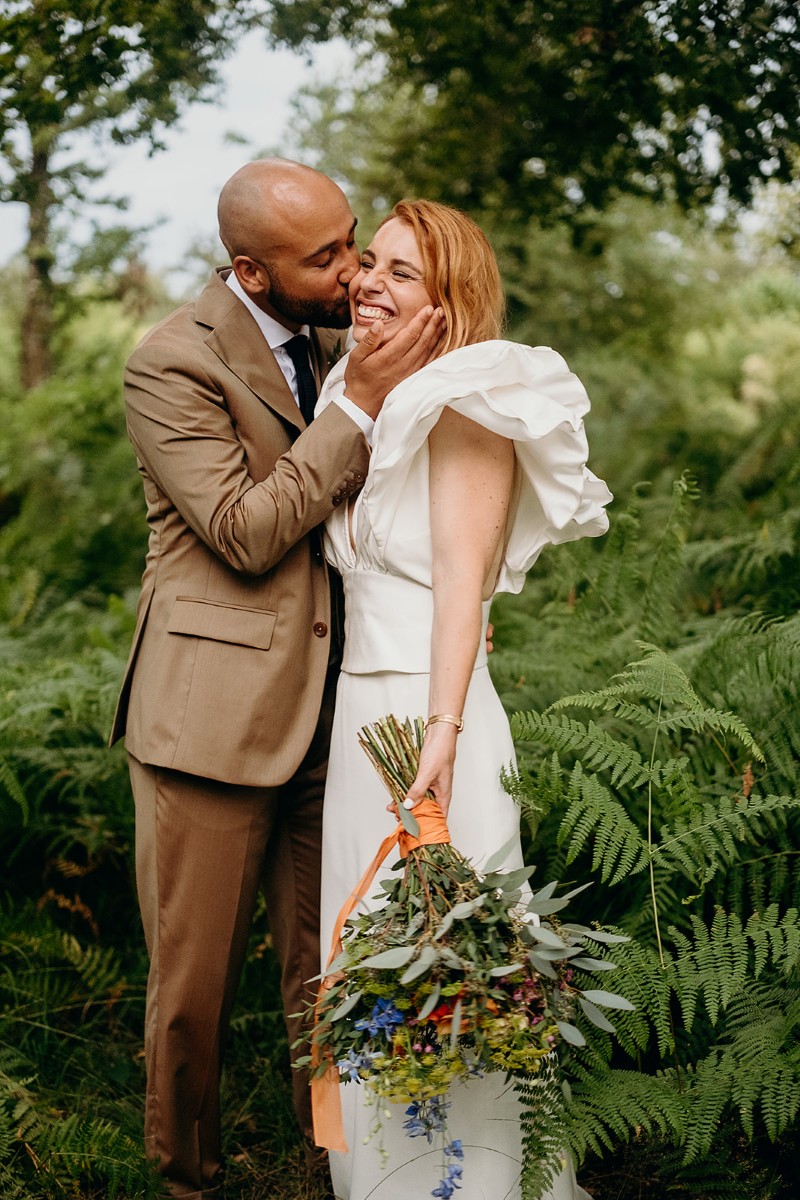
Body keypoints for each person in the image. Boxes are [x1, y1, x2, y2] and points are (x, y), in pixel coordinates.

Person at [109, 159, 445, 1200]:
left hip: (331, 718)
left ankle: (332, 1169)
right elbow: (246, 535)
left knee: (325, 977)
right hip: (206, 725)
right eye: (327, 257)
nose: (351, 273)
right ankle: (187, 1181)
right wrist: (364, 404)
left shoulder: (342, 345)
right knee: (192, 992)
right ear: (251, 273)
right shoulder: (170, 363)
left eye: (351, 241)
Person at [316, 200, 612, 1199]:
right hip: (361, 725)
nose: (370, 284)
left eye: (403, 274)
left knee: (455, 966)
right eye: (370, 263)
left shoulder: (472, 403)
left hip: (431, 726)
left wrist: (438, 736)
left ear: (449, 303)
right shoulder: (358, 398)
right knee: (370, 962)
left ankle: (468, 1187)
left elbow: (458, 588)